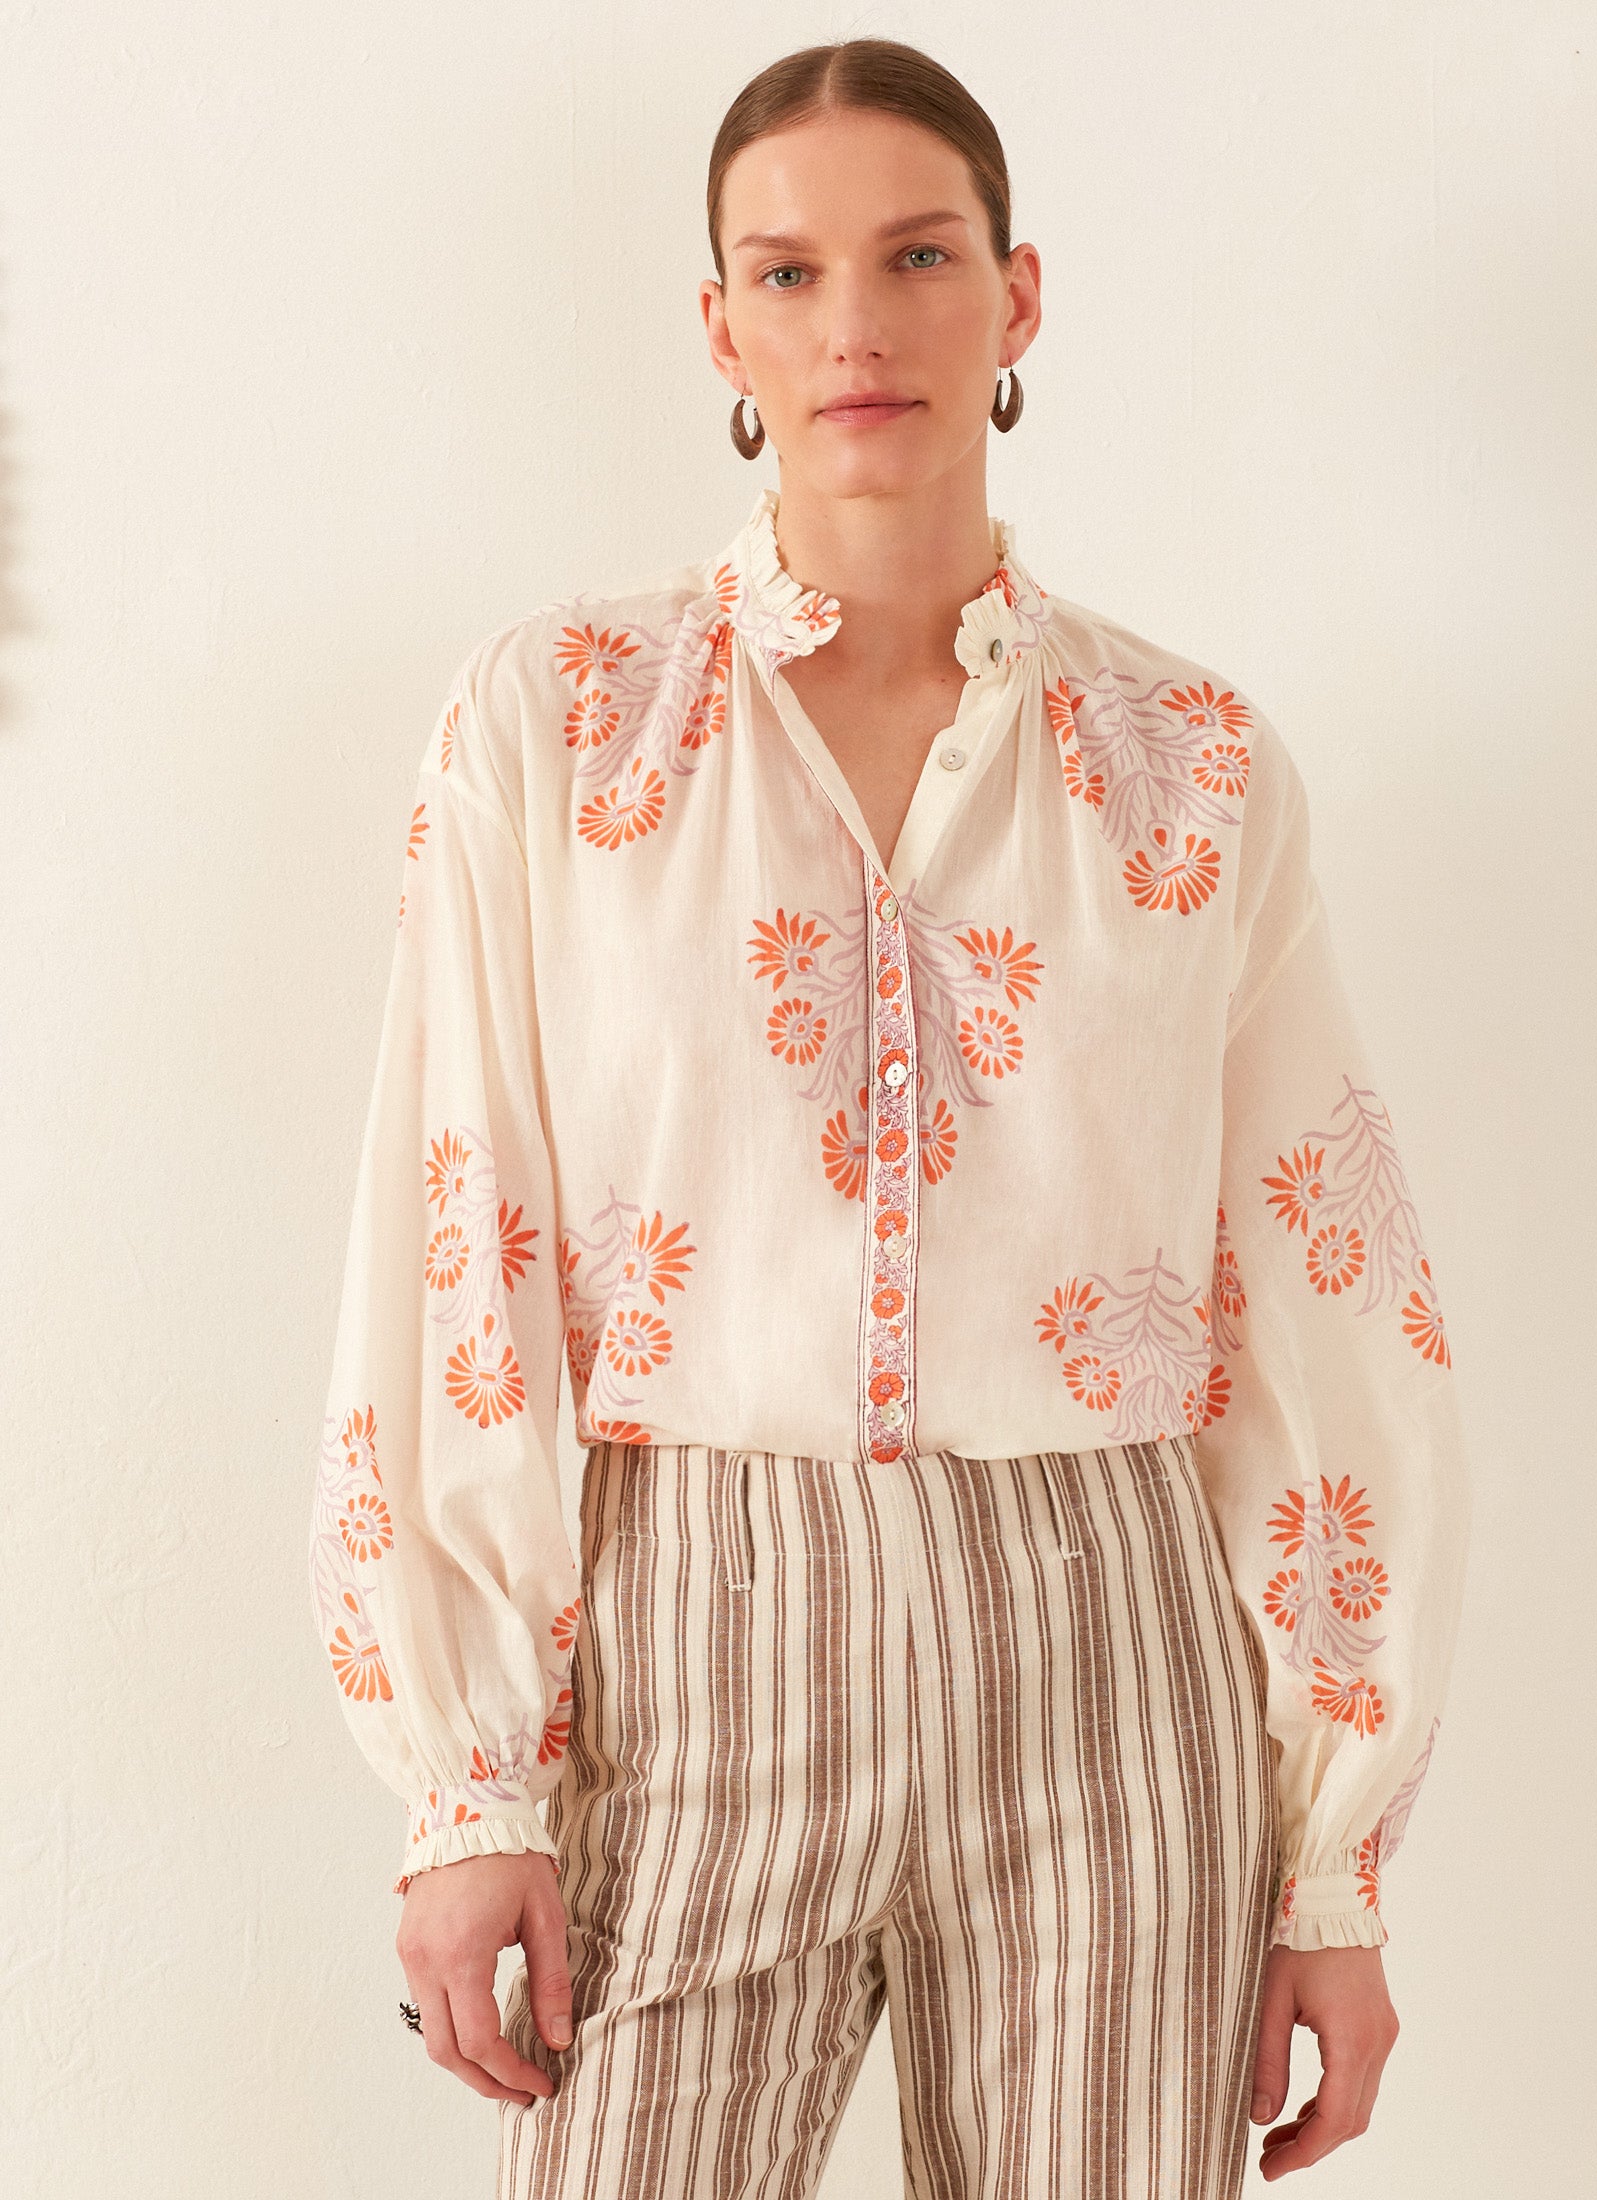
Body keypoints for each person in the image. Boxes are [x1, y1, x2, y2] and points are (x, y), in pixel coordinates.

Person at [309, 35, 1471, 2198]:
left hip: (1110, 1638)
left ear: (1017, 298)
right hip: (695, 1626)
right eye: (791, 269)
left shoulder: (1192, 762)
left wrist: (1330, 1862)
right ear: (722, 325)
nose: (856, 323)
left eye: (918, 255)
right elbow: (454, 1228)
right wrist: (469, 1789)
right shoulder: (561, 728)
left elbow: (1320, 1275)